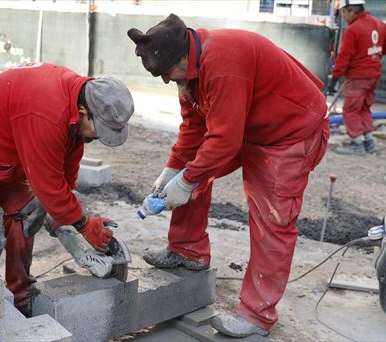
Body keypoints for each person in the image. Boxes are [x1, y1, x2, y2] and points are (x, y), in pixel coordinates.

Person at [127, 14, 329, 338]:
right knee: (191, 170)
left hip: (290, 132)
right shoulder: (189, 72)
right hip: (248, 124)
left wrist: (187, 178)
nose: (166, 81)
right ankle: (187, 251)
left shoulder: (222, 62)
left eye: (166, 73)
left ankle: (257, 314)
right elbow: (195, 129)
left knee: (271, 219)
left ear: (182, 57)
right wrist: (174, 169)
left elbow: (224, 140)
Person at [0, 62, 134, 317]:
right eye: (99, 130)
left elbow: (64, 174)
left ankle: (19, 298)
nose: (98, 138)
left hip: (4, 153)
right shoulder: (47, 112)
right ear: (83, 111)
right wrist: (83, 225)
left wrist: (67, 222)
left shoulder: (77, 105)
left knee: (29, 214)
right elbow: (47, 184)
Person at [329, 0, 386, 155]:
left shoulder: (353, 30)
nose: (344, 16)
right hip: (374, 74)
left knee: (351, 110)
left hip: (358, 76)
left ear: (352, 10)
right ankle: (369, 141)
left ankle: (357, 144)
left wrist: (335, 78)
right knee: (364, 108)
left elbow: (345, 56)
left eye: (344, 12)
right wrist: (372, 57)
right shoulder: (379, 24)